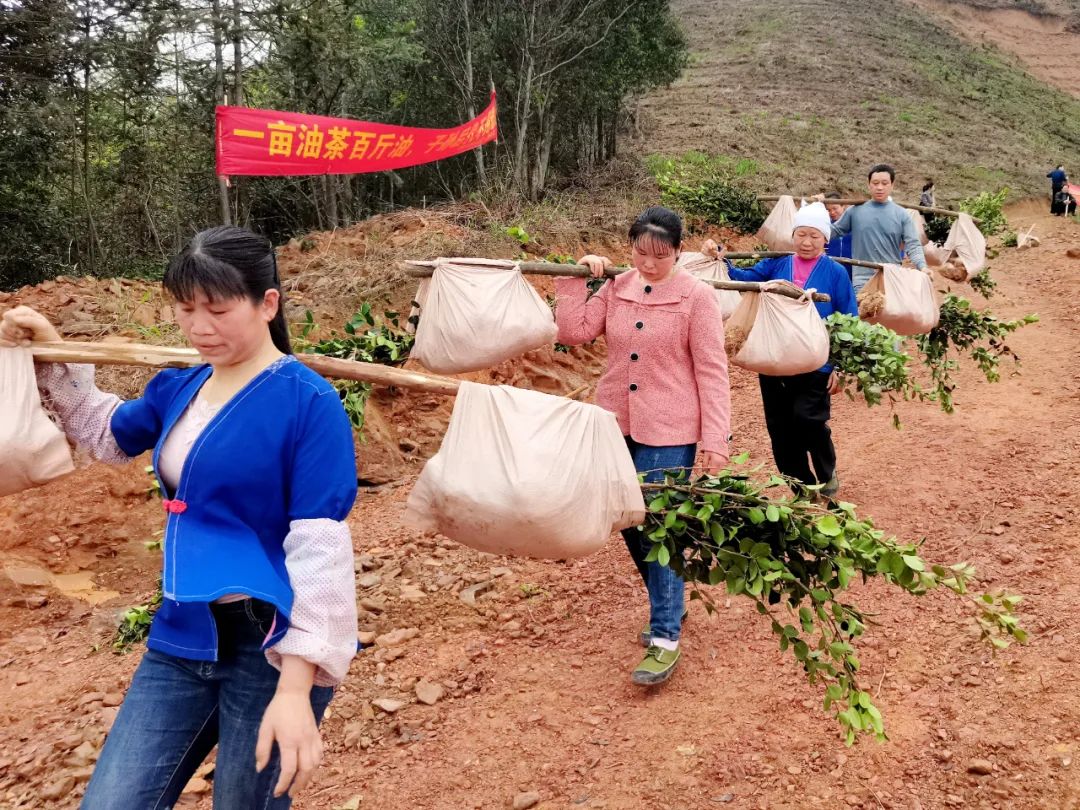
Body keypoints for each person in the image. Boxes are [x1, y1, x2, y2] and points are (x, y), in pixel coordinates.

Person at [0, 226, 359, 809]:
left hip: (268, 641)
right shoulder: (180, 385)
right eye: (186, 309)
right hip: (182, 635)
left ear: (268, 304)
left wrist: (296, 689)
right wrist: (54, 351)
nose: (199, 328)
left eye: (218, 309)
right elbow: (109, 435)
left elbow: (320, 547)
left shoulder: (308, 403)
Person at [554, 206, 731, 687]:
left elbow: (713, 372)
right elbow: (573, 333)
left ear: (678, 251)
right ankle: (668, 599)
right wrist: (576, 278)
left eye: (660, 255)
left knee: (659, 528)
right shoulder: (618, 286)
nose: (648, 263)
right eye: (639, 252)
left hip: (672, 429)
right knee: (628, 520)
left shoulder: (697, 297)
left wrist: (716, 439)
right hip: (615, 421)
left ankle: (665, 636)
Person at [708, 203, 857, 498]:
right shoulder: (778, 265)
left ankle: (827, 474)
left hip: (817, 363)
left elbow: (849, 318)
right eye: (801, 234)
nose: (806, 241)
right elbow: (742, 277)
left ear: (825, 239)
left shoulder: (835, 272)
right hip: (774, 360)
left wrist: (841, 366)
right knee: (780, 428)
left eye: (814, 236)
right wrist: (719, 255)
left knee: (809, 420)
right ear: (793, 235)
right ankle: (800, 484)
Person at [822, 164, 929, 293]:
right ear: (869, 185)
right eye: (875, 183)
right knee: (864, 312)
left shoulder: (901, 214)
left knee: (891, 312)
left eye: (884, 183)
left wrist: (923, 267)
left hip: (891, 277)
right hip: (862, 280)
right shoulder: (855, 211)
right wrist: (815, 210)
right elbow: (834, 231)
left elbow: (913, 245)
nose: (879, 187)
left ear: (892, 185)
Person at [823, 192, 853, 277]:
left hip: (852, 268)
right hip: (831, 267)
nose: (832, 212)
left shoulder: (853, 225)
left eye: (835, 208)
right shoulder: (826, 226)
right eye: (828, 210)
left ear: (843, 206)